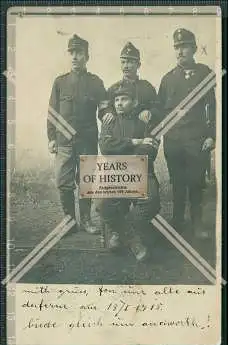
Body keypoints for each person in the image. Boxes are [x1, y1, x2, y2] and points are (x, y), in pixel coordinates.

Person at [158, 28, 216, 238]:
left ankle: (198, 224)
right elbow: (160, 111)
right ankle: (177, 221)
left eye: (184, 47)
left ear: (193, 49)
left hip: (197, 140)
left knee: (196, 182)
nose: (180, 51)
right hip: (173, 141)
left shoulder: (205, 74)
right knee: (178, 182)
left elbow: (213, 107)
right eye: (177, 47)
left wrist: (212, 135)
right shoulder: (167, 79)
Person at [47, 34, 107, 234]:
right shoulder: (59, 82)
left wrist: (108, 117)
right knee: (63, 181)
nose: (74, 57)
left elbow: (105, 109)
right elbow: (52, 113)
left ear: (86, 56)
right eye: (71, 52)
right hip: (64, 142)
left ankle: (87, 220)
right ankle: (70, 221)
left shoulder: (96, 82)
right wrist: (51, 138)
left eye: (79, 53)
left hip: (87, 140)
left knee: (86, 180)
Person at [99, 83, 160, 262]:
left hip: (141, 171)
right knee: (103, 205)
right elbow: (105, 147)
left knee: (151, 202)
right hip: (117, 173)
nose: (118, 103)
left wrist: (121, 149)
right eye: (116, 100)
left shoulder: (145, 121)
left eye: (124, 99)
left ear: (134, 102)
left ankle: (121, 231)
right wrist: (134, 142)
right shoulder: (109, 121)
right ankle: (133, 240)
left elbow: (150, 150)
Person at [100, 42, 160, 129]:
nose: (125, 66)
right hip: (121, 137)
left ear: (138, 65)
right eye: (123, 62)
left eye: (129, 62)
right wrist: (108, 113)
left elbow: (157, 108)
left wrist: (150, 113)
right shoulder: (113, 89)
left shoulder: (147, 88)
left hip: (143, 135)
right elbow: (104, 109)